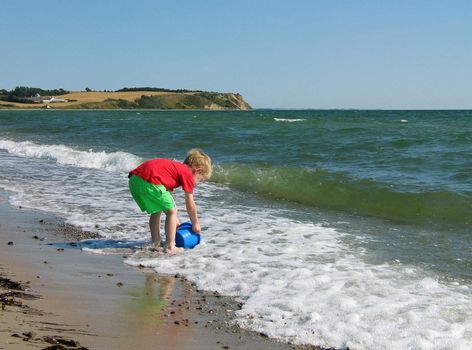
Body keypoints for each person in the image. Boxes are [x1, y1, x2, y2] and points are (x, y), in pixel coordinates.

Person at [128, 149, 212, 254]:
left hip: (135, 180)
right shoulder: (187, 174)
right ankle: (170, 246)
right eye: (200, 180)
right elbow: (190, 204)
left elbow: (167, 199)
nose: (198, 183)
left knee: (157, 210)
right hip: (150, 181)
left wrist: (175, 221)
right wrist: (195, 224)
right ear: (197, 170)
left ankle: (156, 242)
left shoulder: (174, 170)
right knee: (172, 211)